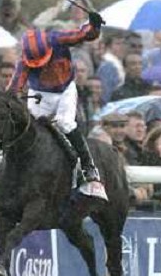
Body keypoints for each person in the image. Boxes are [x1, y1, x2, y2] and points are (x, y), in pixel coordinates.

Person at [8, 11, 105, 185]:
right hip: (40, 93)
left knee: (64, 123)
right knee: (30, 127)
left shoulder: (58, 39)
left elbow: (83, 34)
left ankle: (87, 165)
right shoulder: (24, 61)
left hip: (65, 89)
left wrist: (94, 25)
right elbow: (14, 88)